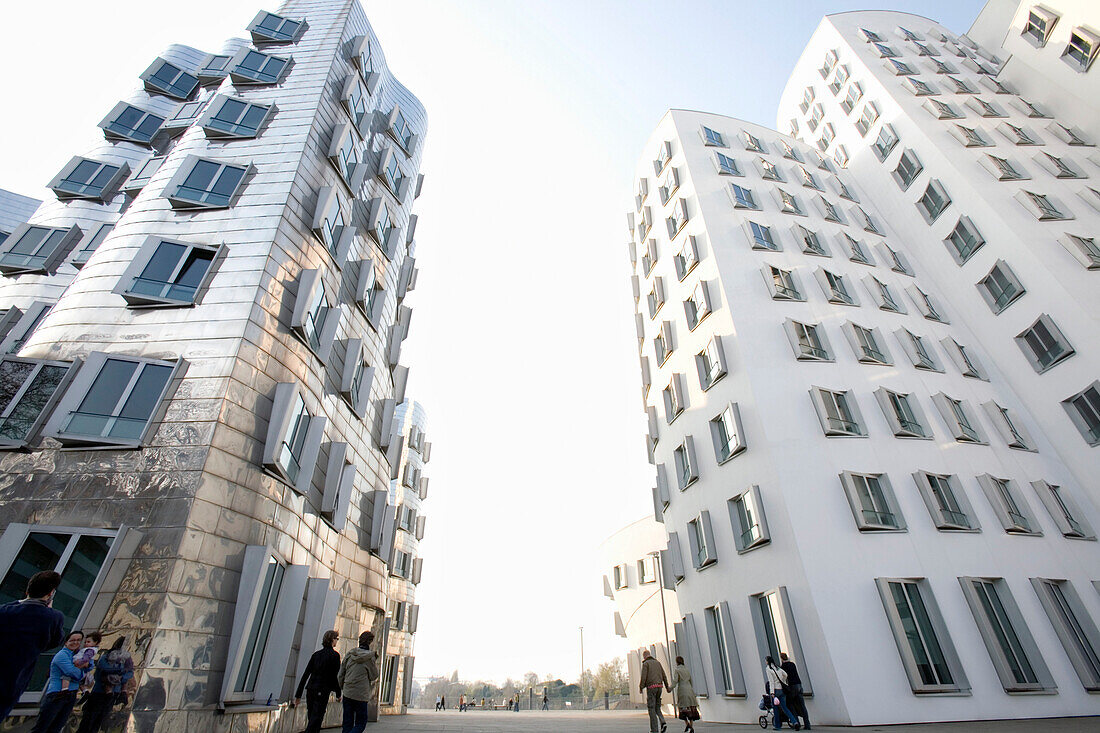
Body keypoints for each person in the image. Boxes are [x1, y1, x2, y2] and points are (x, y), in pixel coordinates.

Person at [0, 570, 66, 722]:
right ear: (51, 594)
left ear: (27, 590)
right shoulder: (53, 617)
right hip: (13, 680)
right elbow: (55, 642)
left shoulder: (4, 610)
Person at [30, 631, 88, 733]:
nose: (75, 642)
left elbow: (85, 671)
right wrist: (81, 672)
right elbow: (71, 672)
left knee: (57, 726)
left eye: (79, 640)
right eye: (72, 640)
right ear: (66, 642)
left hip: (71, 694)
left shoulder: (75, 656)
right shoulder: (62, 655)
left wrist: (80, 671)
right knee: (43, 727)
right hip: (57, 695)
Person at [75, 636, 135, 733]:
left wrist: (121, 678)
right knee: (89, 721)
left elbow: (130, 672)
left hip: (112, 694)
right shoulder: (105, 657)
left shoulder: (125, 659)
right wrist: (121, 672)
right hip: (99, 693)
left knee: (99, 720)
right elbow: (104, 668)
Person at [294, 630, 342, 733]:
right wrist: (338, 693)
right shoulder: (335, 656)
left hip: (311, 689)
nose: (337, 641)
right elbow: (334, 676)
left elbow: (306, 674)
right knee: (317, 718)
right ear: (332, 640)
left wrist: (298, 694)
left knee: (312, 717)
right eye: (336, 639)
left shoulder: (316, 655)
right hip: (323, 690)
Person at [337, 631, 378, 733]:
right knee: (361, 723)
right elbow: (374, 676)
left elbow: (341, 674)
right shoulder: (369, 658)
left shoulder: (350, 654)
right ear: (370, 642)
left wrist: (343, 686)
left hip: (348, 691)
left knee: (347, 722)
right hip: (361, 694)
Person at [765, 656, 799, 731]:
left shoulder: (768, 669)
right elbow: (785, 674)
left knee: (776, 709)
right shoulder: (778, 667)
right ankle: (795, 722)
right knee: (785, 708)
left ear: (767, 661)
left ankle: (778, 726)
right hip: (782, 690)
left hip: (775, 690)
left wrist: (772, 693)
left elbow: (771, 682)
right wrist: (783, 681)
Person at [639, 650, 670, 733]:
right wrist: (667, 686)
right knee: (657, 707)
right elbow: (664, 676)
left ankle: (654, 730)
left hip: (651, 687)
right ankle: (662, 721)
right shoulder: (658, 663)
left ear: (644, 656)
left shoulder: (646, 664)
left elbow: (643, 677)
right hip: (660, 687)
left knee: (651, 708)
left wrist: (641, 687)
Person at [780, 653, 810, 730]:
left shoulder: (783, 667)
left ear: (782, 659)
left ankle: (796, 723)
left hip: (791, 686)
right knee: (802, 705)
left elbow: (784, 678)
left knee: (790, 704)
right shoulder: (792, 664)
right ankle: (807, 724)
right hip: (798, 684)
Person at [670, 656, 699, 733]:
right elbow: (691, 680)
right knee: (691, 708)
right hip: (689, 689)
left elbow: (675, 681)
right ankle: (691, 725)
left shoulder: (677, 670)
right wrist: (691, 689)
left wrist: (670, 688)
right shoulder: (687, 669)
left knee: (684, 710)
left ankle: (687, 724)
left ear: (677, 662)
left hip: (682, 690)